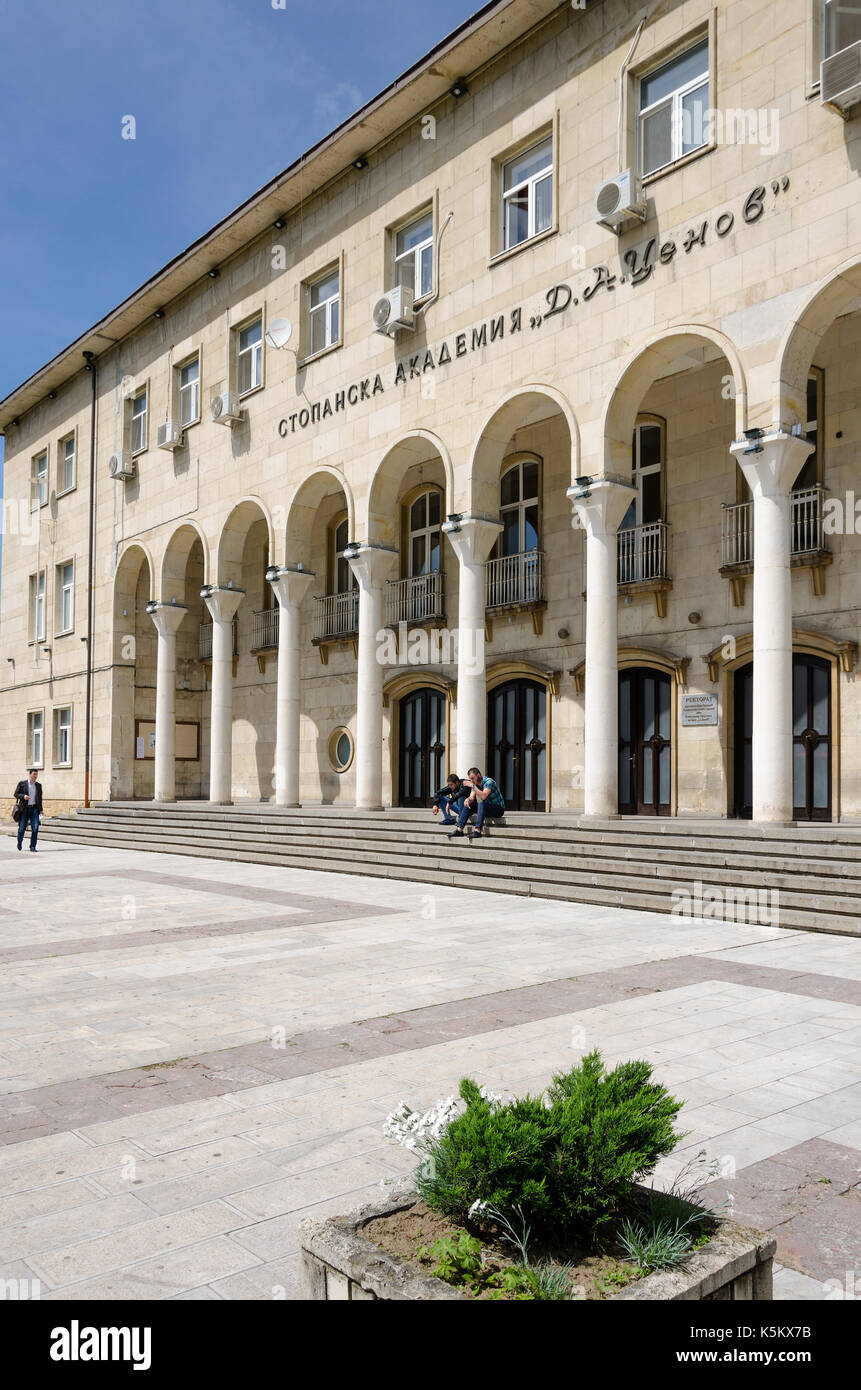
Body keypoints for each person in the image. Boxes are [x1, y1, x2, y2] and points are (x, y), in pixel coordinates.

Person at [449, 766, 505, 839]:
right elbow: (472, 797)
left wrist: (472, 786)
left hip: (498, 809)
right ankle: (459, 829)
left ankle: (477, 831)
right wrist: (468, 799)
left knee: (481, 803)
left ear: (478, 775)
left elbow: (483, 796)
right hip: (487, 808)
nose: (472, 780)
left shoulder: (489, 782)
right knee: (469, 804)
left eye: (473, 778)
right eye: (470, 779)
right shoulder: (474, 784)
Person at [14, 769, 43, 852]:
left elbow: (40, 799)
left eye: (36, 774)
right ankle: (19, 842)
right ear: (30, 774)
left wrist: (41, 810)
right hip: (24, 809)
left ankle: (32, 846)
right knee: (22, 828)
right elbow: (16, 794)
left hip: (34, 809)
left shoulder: (38, 785)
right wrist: (23, 796)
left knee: (35, 828)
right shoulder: (22, 784)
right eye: (34, 774)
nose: (35, 776)